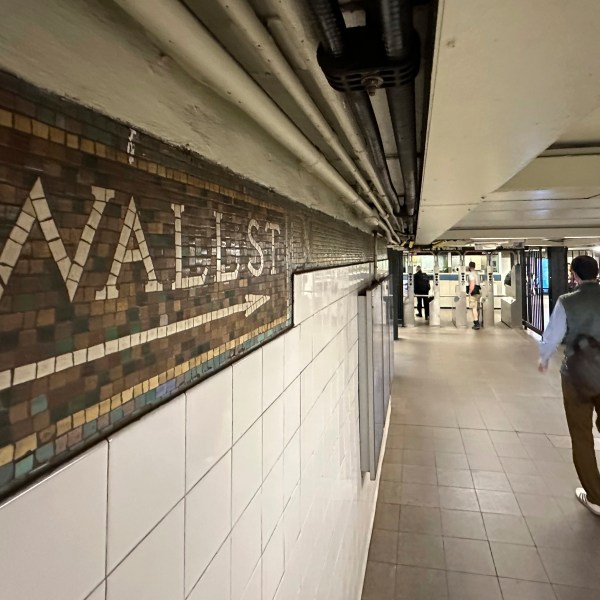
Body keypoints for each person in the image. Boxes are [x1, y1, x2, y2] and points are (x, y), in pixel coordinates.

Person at [538, 255, 600, 516]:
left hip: (577, 375)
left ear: (574, 275)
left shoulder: (567, 301)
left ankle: (596, 497)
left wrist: (544, 357)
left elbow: (553, 334)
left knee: (581, 434)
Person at [466, 261, 481, 329]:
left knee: (473, 308)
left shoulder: (471, 274)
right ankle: (477, 320)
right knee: (477, 307)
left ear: (469, 267)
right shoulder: (477, 273)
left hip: (474, 292)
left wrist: (469, 292)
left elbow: (472, 284)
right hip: (478, 291)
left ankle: (476, 323)